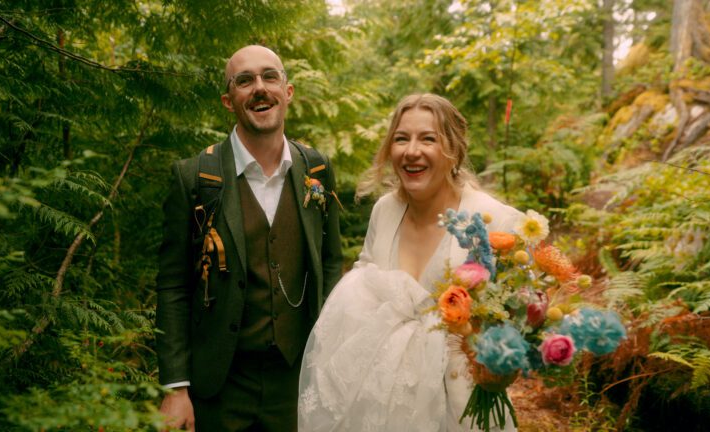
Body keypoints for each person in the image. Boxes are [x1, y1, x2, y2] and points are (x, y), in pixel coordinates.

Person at [297, 94, 520, 431]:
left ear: (454, 149)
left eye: (428, 138)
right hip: (383, 407)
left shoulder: (495, 223)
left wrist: (499, 369)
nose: (411, 151)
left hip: (461, 409)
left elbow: (515, 331)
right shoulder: (384, 212)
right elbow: (358, 305)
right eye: (401, 138)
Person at [156, 45, 343, 431]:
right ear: (229, 100)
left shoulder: (318, 170)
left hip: (297, 382)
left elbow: (330, 263)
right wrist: (176, 387)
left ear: (287, 92)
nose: (259, 88)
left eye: (269, 76)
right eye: (245, 81)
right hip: (220, 386)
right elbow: (173, 285)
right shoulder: (194, 178)